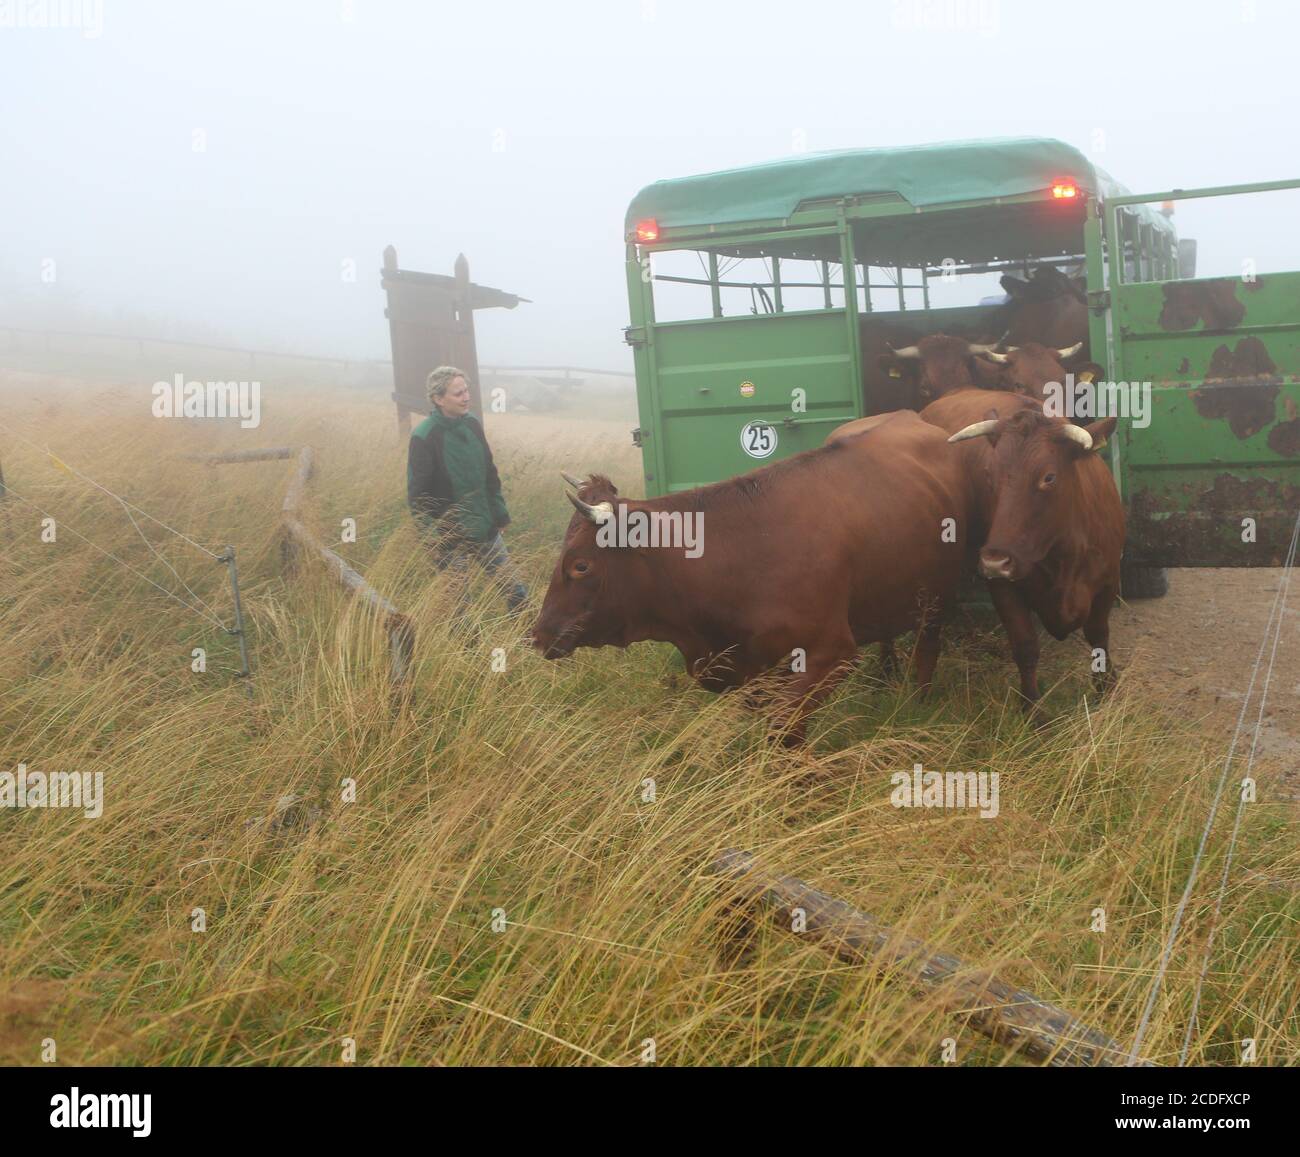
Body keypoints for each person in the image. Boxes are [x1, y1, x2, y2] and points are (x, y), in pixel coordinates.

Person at [407, 366, 528, 615]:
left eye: (466, 391)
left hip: (485, 526)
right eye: (458, 393)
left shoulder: (472, 424)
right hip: (448, 536)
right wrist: (433, 538)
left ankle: (535, 642)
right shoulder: (424, 436)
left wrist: (500, 513)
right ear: (438, 399)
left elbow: (489, 472)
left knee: (515, 592)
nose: (466, 397)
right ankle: (469, 650)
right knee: (460, 607)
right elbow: (418, 496)